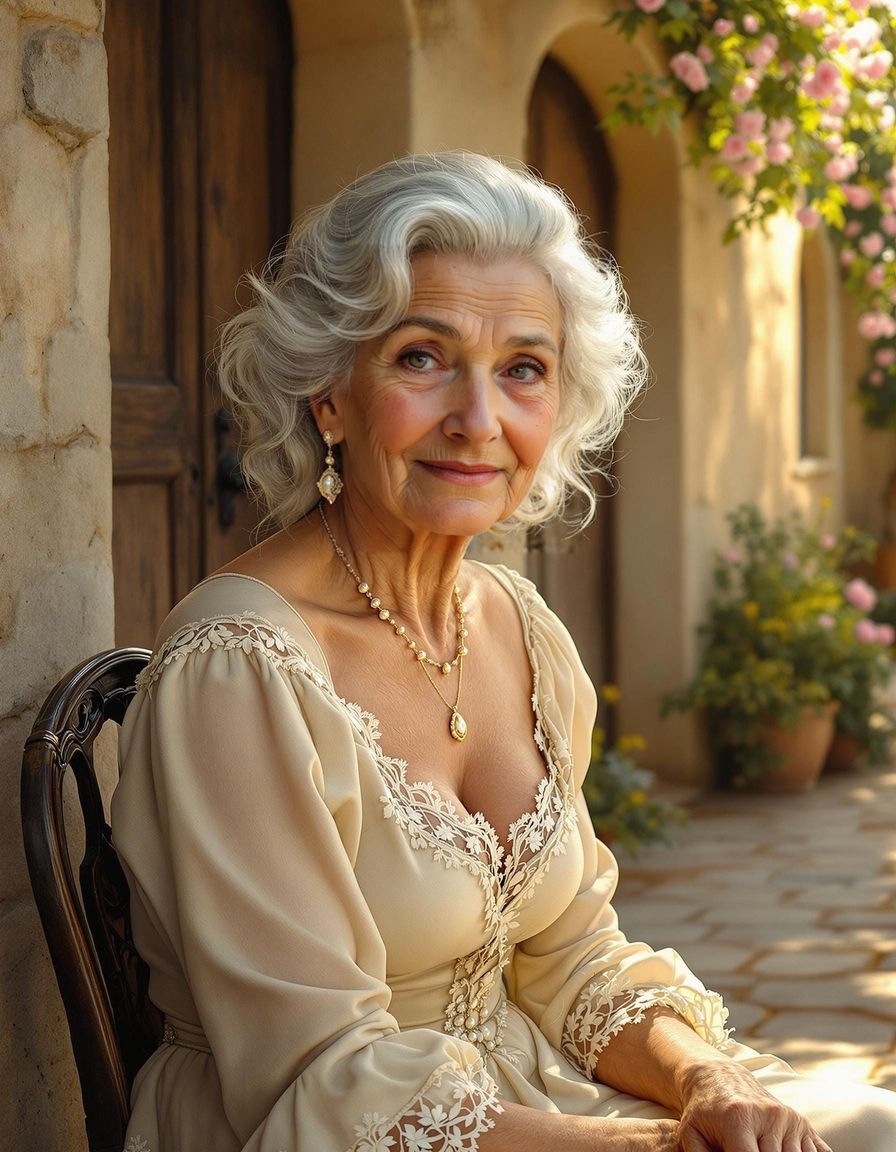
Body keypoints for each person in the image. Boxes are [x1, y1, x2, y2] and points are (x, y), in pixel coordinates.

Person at [111, 152, 896, 1152]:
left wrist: (705, 1081)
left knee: (868, 1125)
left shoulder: (517, 626)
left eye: (522, 369)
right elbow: (321, 1078)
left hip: (528, 1094)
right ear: (328, 392)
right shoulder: (238, 669)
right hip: (338, 1129)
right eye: (420, 358)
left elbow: (571, 956)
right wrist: (657, 1149)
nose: (477, 421)